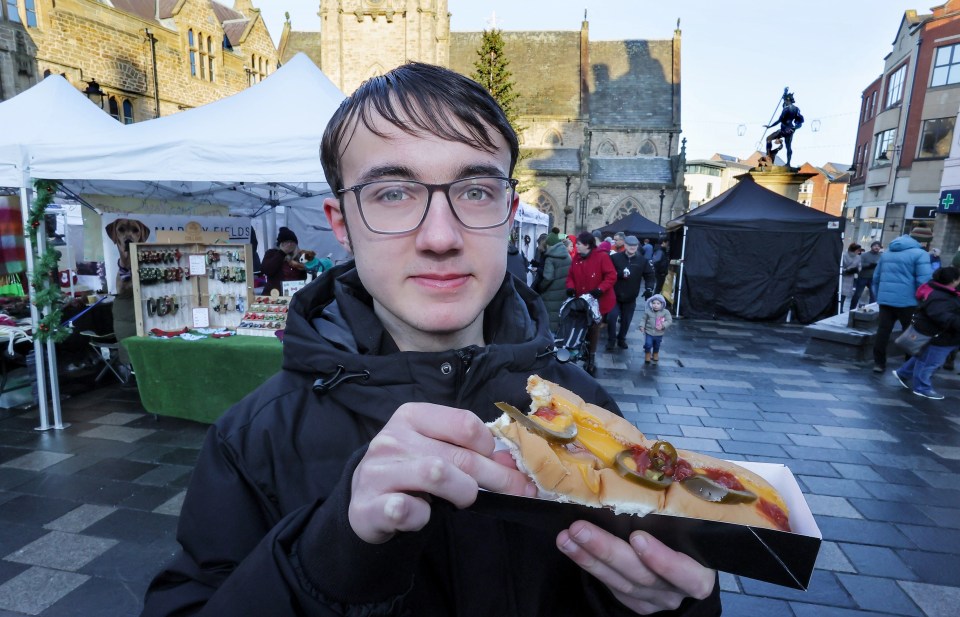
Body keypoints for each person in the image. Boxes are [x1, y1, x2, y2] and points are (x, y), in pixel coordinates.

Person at [141, 62, 718, 617]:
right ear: (340, 222)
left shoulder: (585, 409)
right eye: (393, 193)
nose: (440, 237)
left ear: (511, 212)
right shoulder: (253, 440)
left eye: (474, 191)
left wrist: (667, 602)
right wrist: (327, 554)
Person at [871, 227, 933, 373]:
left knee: (883, 331)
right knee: (910, 333)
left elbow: (876, 278)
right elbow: (923, 282)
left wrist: (880, 296)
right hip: (909, 301)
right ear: (923, 241)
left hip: (885, 300)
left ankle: (879, 363)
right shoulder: (920, 254)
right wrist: (925, 300)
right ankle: (907, 365)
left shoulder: (887, 253)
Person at [892, 266, 960, 400]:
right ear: (953, 280)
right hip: (940, 336)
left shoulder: (944, 292)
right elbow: (942, 316)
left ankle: (903, 373)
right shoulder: (941, 296)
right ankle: (922, 388)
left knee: (923, 356)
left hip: (942, 335)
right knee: (930, 363)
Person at [566, 231, 618, 376]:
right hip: (582, 299)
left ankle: (591, 356)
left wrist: (600, 289)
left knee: (594, 327)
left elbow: (611, 276)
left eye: (579, 244)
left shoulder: (602, 257)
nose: (576, 246)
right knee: (581, 324)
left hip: (599, 300)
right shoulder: (577, 258)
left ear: (587, 245)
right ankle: (578, 349)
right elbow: (571, 276)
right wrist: (570, 287)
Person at [606, 236, 656, 351]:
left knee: (626, 320)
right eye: (630, 245)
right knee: (611, 318)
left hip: (631, 296)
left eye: (634, 246)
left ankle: (621, 339)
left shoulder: (642, 261)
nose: (632, 247)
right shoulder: (615, 258)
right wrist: (619, 274)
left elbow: (649, 276)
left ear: (637, 246)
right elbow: (608, 273)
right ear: (625, 245)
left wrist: (649, 288)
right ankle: (611, 340)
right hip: (615, 295)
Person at [536, 230, 572, 333]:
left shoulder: (550, 258)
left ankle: (551, 345)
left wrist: (541, 287)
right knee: (559, 318)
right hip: (563, 292)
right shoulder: (567, 256)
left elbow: (548, 278)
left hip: (550, 295)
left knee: (550, 321)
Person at [260, 226, 307, 294]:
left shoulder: (301, 257)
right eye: (286, 242)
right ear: (280, 244)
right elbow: (267, 270)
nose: (289, 244)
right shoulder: (272, 253)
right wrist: (282, 253)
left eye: (291, 242)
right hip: (274, 295)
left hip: (295, 295)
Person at [764, 91, 804, 168]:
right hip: (790, 130)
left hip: (784, 130)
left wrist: (770, 126)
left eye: (785, 100)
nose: (784, 102)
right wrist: (795, 127)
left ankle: (768, 158)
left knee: (768, 139)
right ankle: (788, 163)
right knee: (788, 147)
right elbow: (800, 121)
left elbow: (779, 120)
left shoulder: (786, 109)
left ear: (787, 100)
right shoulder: (796, 109)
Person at [640, 293, 673, 364]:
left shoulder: (665, 312)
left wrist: (663, 325)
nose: (655, 305)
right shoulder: (648, 311)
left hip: (659, 333)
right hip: (649, 332)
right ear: (651, 304)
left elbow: (669, 320)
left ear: (662, 304)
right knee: (648, 344)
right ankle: (647, 354)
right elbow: (643, 319)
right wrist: (642, 326)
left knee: (657, 345)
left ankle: (655, 353)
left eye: (658, 303)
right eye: (654, 303)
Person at [851, 241, 882, 310]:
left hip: (874, 278)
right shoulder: (864, 255)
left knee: (873, 295)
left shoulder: (881, 256)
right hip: (863, 277)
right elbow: (859, 264)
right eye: (875, 246)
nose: (877, 247)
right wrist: (869, 265)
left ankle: (871, 310)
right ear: (871, 247)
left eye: (878, 246)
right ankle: (852, 309)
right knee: (857, 295)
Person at [840, 243, 861, 311]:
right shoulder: (843, 255)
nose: (859, 252)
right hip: (842, 277)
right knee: (841, 294)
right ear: (854, 250)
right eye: (858, 250)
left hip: (850, 278)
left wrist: (857, 270)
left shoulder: (858, 257)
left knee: (845, 294)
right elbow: (839, 266)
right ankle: (839, 309)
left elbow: (859, 266)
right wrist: (846, 270)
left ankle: (841, 309)